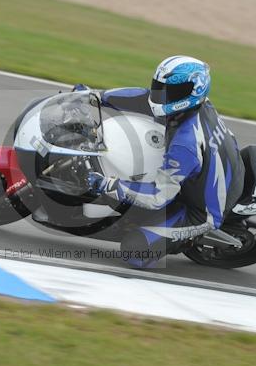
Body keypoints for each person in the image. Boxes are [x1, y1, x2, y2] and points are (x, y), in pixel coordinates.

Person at [82, 56, 245, 268]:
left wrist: (107, 185)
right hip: (214, 173)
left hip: (200, 211)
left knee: (134, 250)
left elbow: (158, 197)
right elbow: (143, 97)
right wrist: (96, 96)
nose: (161, 96)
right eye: (160, 87)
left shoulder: (185, 143)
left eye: (171, 91)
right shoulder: (196, 107)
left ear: (193, 92)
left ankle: (188, 238)